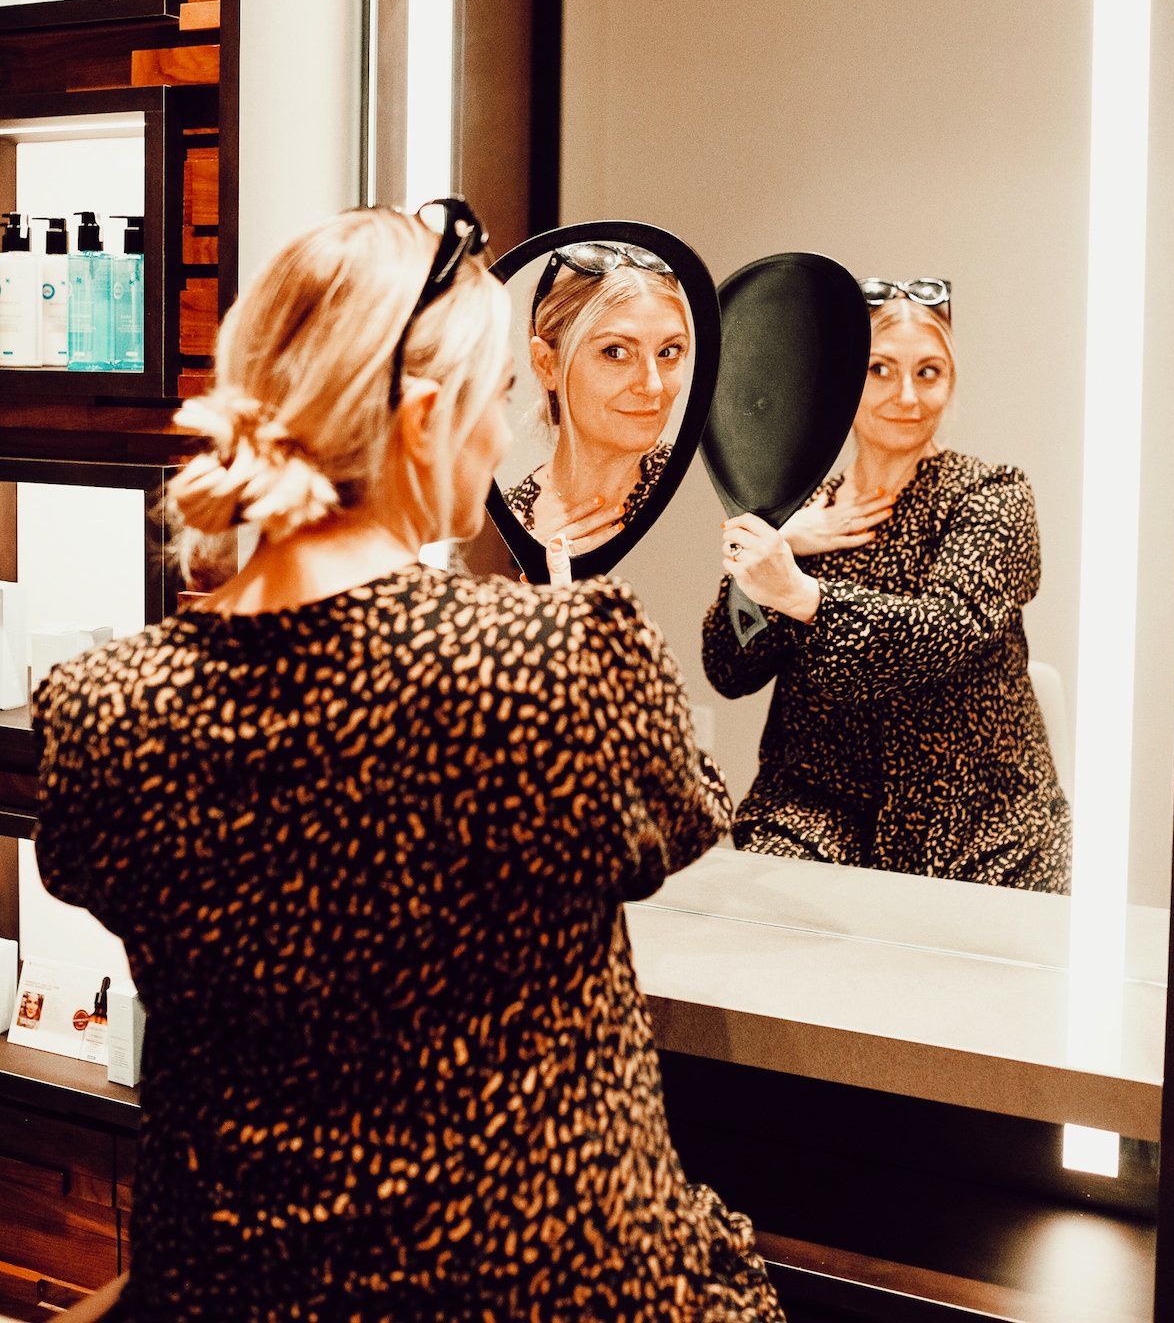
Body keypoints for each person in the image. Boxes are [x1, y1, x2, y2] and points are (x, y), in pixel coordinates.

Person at [33, 200, 784, 1323]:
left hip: (238, 1293)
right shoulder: (561, 665)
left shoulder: (101, 711)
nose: (504, 443)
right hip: (541, 1292)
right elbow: (685, 820)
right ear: (427, 418)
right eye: (502, 409)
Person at [703, 277, 1071, 892]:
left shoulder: (994, 495)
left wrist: (802, 595)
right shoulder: (796, 513)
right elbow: (728, 669)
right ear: (844, 381)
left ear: (950, 384)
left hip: (982, 824)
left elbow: (947, 628)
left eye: (928, 372)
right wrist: (784, 542)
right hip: (814, 813)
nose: (907, 395)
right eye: (880, 370)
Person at [504, 243, 691, 556]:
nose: (653, 385)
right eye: (615, 352)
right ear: (547, 364)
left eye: (669, 352)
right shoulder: (506, 518)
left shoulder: (700, 496)